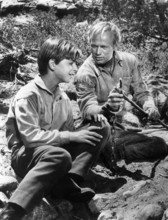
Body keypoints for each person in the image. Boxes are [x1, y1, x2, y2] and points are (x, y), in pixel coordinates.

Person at [0, 37, 110, 220]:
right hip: (26, 155)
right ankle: (13, 210)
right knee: (60, 155)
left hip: (55, 155)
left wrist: (90, 124)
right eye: (70, 63)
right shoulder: (28, 95)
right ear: (52, 64)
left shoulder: (63, 97)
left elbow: (69, 133)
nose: (75, 68)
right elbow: (30, 138)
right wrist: (69, 136)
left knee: (100, 128)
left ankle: (69, 181)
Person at [75, 20, 168, 166]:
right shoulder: (85, 74)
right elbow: (87, 110)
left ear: (115, 46)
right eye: (94, 46)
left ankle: (112, 151)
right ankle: (109, 151)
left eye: (103, 47)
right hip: (99, 125)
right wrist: (107, 107)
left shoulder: (129, 61)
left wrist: (150, 106)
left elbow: (141, 91)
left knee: (160, 145)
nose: (97, 52)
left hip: (123, 124)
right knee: (155, 144)